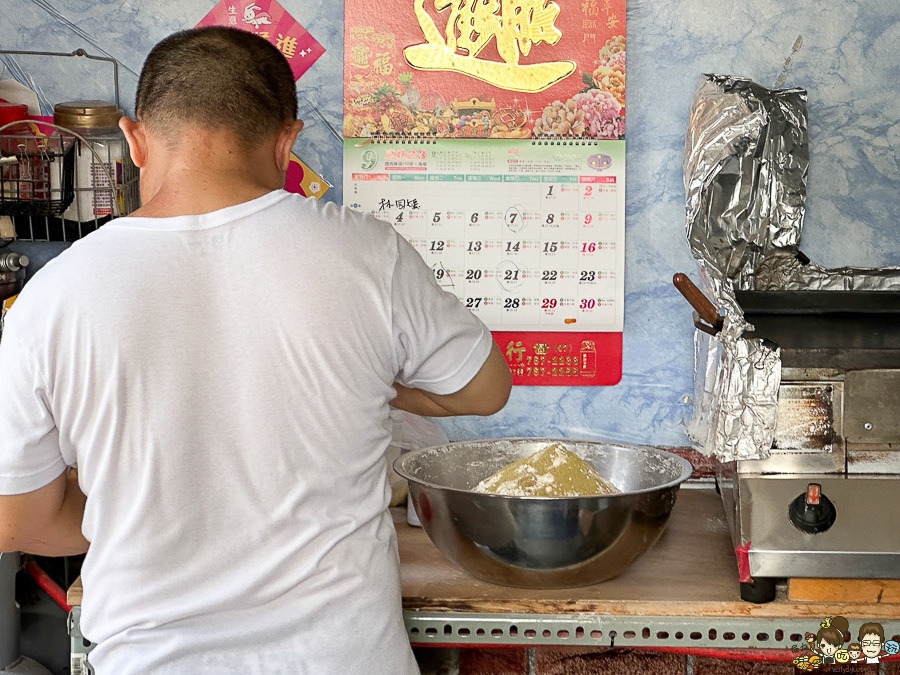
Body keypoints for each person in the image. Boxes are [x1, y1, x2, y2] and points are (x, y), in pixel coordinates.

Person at [0, 27, 511, 675]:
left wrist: (138, 508)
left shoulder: (54, 295)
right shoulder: (365, 253)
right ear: (287, 140)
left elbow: (16, 522)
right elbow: (485, 389)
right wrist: (378, 380)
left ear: (134, 140)